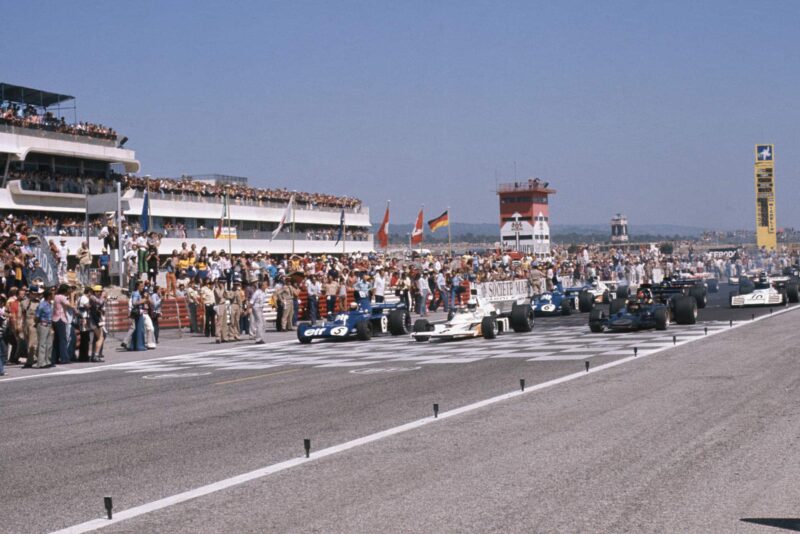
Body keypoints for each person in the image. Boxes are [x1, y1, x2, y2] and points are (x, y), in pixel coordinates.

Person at [52, 284, 74, 364]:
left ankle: (54, 358)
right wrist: (72, 296)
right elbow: (71, 306)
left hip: (55, 319)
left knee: (56, 340)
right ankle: (64, 358)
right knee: (63, 340)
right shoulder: (62, 297)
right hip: (61, 319)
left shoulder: (55, 296)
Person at [35, 289, 54, 368]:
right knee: (42, 344)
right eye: (52, 295)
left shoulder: (50, 304)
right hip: (43, 325)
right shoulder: (42, 305)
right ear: (49, 296)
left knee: (49, 344)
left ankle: (47, 361)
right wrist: (37, 323)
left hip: (49, 325)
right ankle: (41, 362)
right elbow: (37, 316)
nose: (53, 296)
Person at [89, 285, 105, 362]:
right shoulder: (92, 297)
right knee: (100, 337)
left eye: (100, 291)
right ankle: (96, 355)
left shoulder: (96, 297)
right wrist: (103, 297)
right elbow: (100, 302)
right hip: (94, 321)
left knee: (98, 337)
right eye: (98, 291)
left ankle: (95, 354)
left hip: (98, 319)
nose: (99, 293)